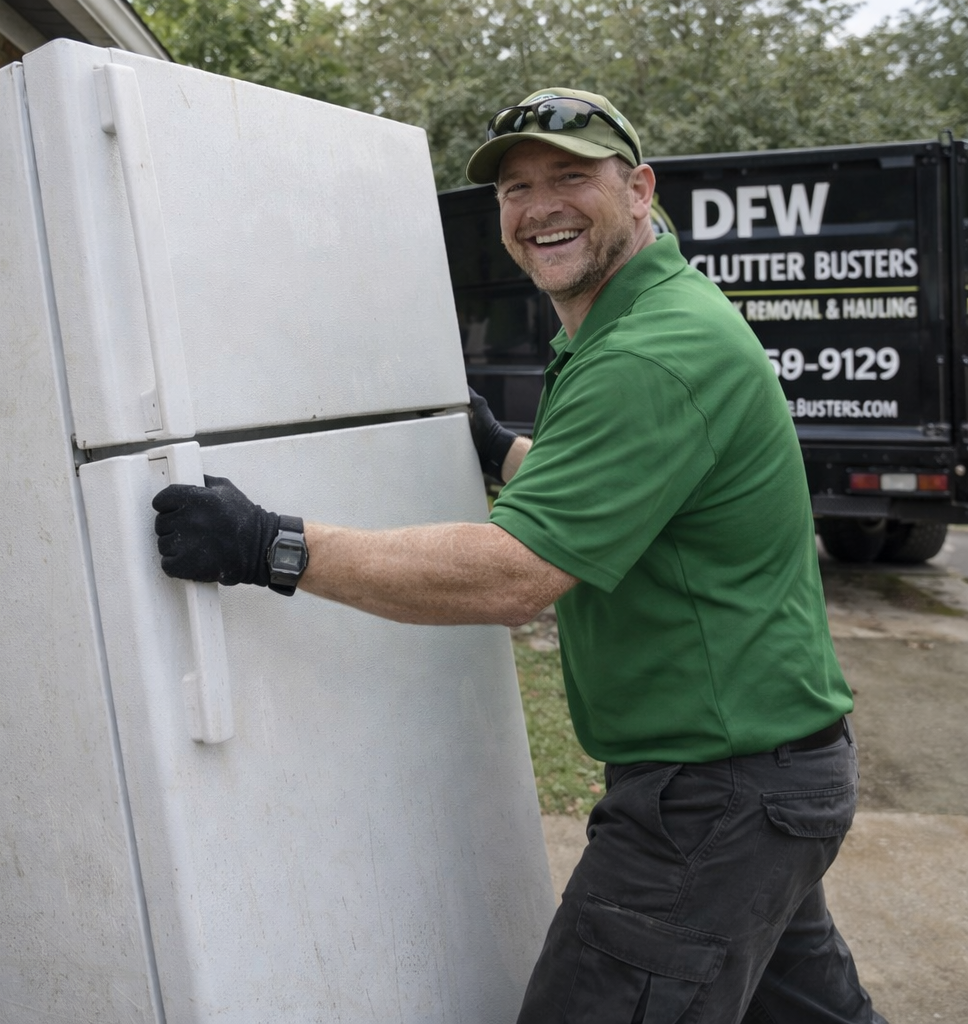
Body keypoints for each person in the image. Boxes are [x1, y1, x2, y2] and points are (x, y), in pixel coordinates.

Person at [150, 87, 885, 1023]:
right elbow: (645, 500)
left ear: (639, 189)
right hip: (770, 780)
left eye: (570, 177)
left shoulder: (649, 355)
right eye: (516, 188)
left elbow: (513, 574)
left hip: (715, 801)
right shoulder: (641, 316)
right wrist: (506, 452)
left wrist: (270, 545)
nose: (539, 208)